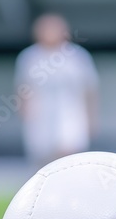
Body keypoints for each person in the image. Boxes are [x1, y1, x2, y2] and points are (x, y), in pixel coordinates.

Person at [15, 14, 99, 167]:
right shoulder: (29, 57)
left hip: (71, 116)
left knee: (70, 159)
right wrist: (25, 112)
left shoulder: (78, 56)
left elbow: (89, 90)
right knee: (42, 160)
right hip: (40, 117)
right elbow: (23, 88)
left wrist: (91, 119)